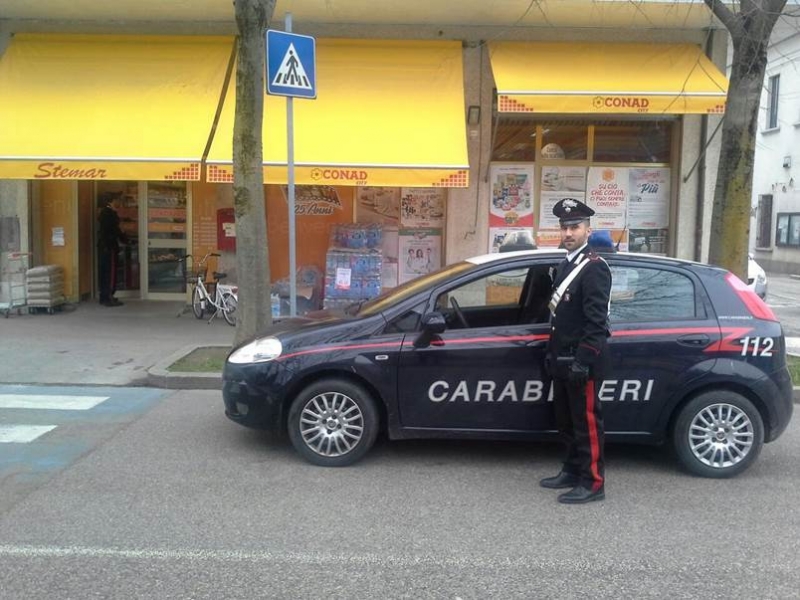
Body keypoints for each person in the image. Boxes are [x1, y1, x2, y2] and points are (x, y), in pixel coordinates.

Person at [541, 198, 612, 504]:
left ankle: (593, 483)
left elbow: (597, 323)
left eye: (575, 226)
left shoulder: (594, 268)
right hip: (562, 358)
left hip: (581, 361)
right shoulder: (566, 262)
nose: (568, 232)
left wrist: (583, 361)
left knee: (587, 425)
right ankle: (571, 470)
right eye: (565, 227)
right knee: (566, 422)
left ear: (587, 230)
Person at [97, 193, 126, 307]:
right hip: (109, 247)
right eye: (118, 200)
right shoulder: (109, 214)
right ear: (112, 201)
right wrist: (124, 238)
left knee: (105, 273)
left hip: (105, 247)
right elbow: (114, 231)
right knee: (110, 273)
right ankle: (108, 297)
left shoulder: (104, 213)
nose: (119, 202)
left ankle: (104, 296)